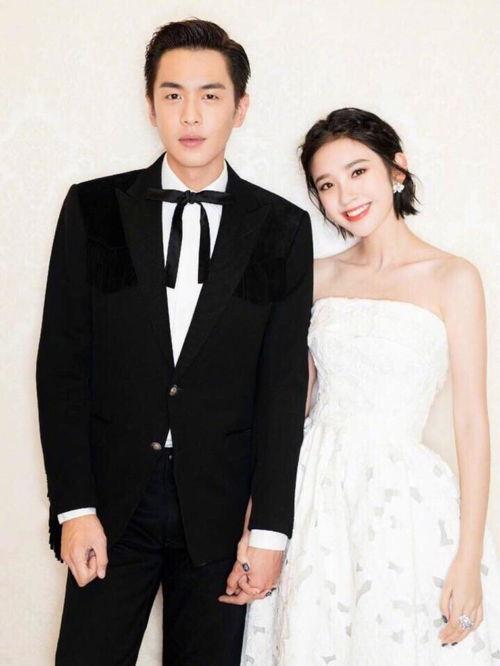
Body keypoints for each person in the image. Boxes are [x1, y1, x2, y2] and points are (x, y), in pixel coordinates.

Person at [36, 19, 312, 665]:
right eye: (173, 94)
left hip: (220, 514)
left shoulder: (281, 228)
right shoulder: (93, 209)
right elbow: (62, 365)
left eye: (210, 95)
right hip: (110, 505)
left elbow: (281, 390)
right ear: (150, 104)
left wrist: (270, 531)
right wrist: (74, 508)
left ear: (240, 107)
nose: (191, 114)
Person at [240, 108, 500, 663]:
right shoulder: (316, 275)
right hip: (313, 494)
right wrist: (254, 526)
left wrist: (469, 557)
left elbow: (472, 423)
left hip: (402, 501)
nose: (345, 196)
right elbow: (290, 407)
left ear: (396, 170)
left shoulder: (454, 277)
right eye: (326, 185)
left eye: (358, 172)